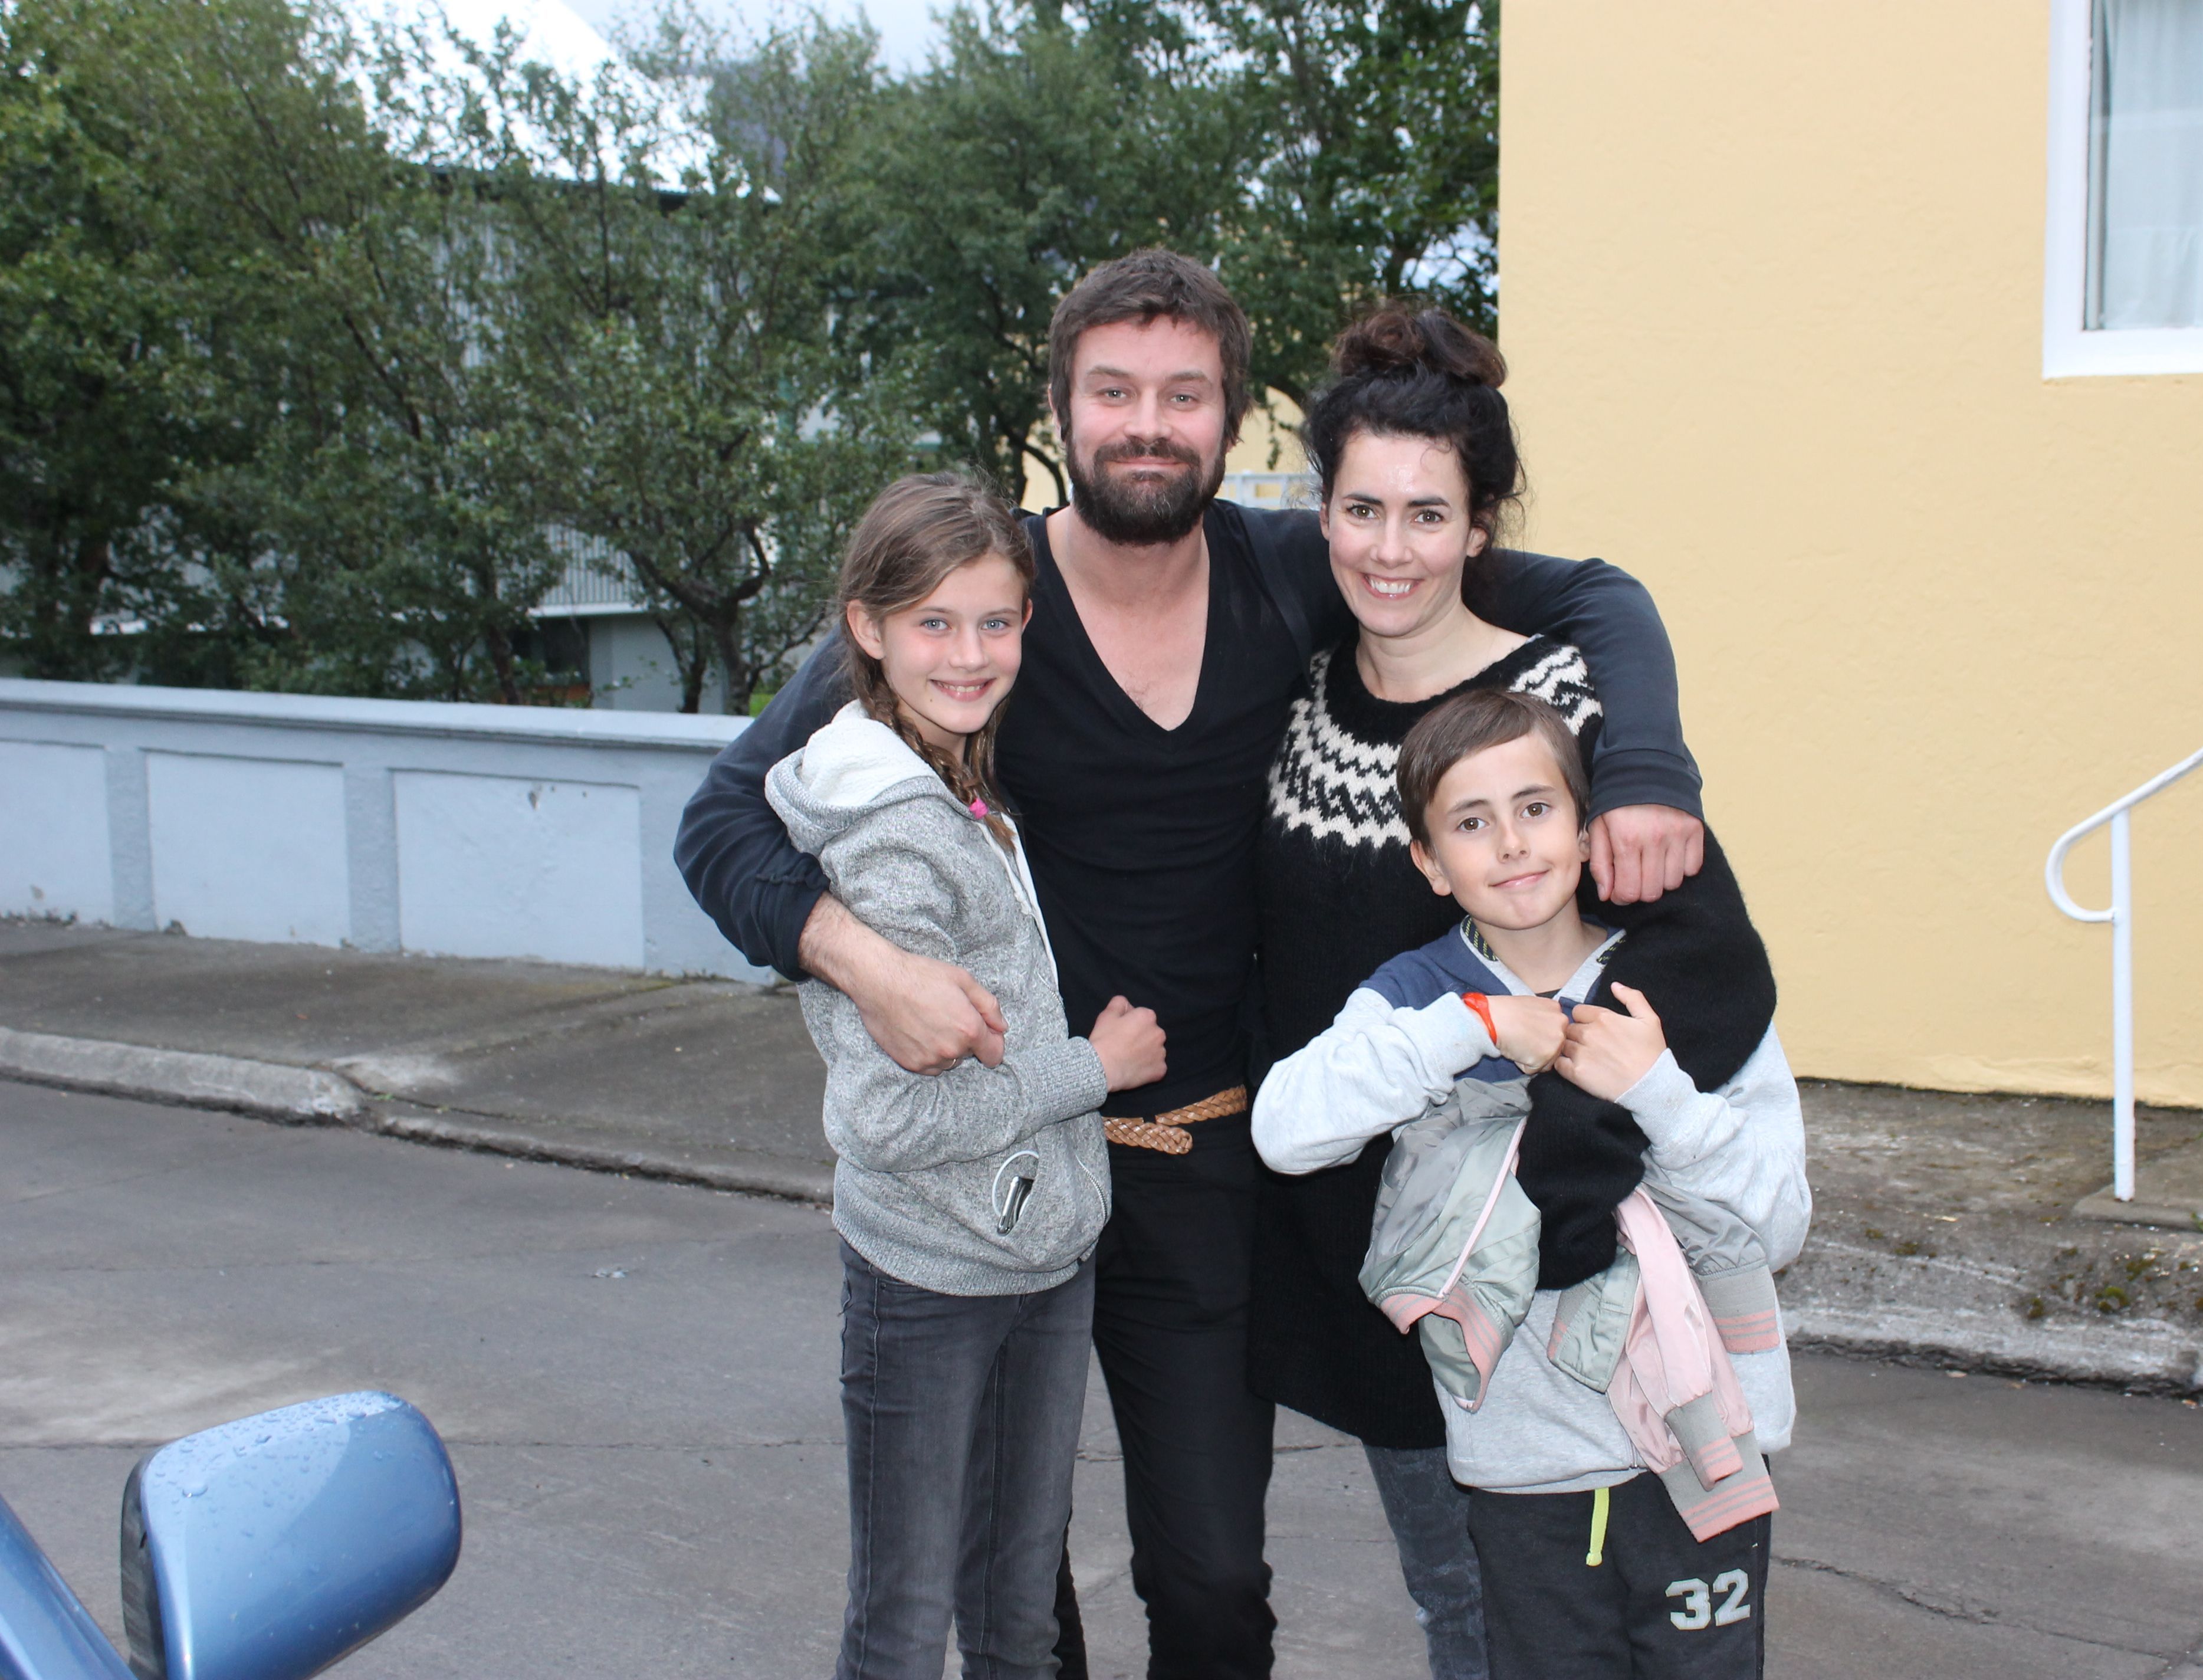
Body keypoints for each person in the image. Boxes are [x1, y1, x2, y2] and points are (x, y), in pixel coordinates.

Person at [676, 248, 1705, 1679]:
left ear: (1230, 418)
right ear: (1060, 409)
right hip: (997, 1161)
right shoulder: (982, 601)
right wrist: (865, 962)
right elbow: (722, 821)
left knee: (1214, 1587)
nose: (1148, 424)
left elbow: (1597, 593)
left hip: (1201, 1164)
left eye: (1185, 392)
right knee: (1009, 1593)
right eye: (1114, 391)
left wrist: (1646, 769)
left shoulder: (1295, 569)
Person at [1252, 690, 1808, 1679]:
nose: (1511, 843)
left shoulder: (1686, 983)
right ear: (1430, 862)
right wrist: (1472, 1026)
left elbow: (1780, 1224)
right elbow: (1286, 1132)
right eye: (1471, 823)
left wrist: (1657, 1091)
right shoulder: (1419, 999)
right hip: (1522, 1472)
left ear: (1588, 830)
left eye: (1536, 808)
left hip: (1702, 1450)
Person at [766, 474, 1167, 1680]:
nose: (970, 653)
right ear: (868, 627)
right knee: (904, 1624)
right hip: (930, 1278)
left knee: (1018, 1618)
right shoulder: (893, 834)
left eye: (995, 621)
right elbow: (892, 1115)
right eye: (934, 623)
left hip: (1037, 1257)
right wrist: (1091, 1068)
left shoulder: (959, 778)